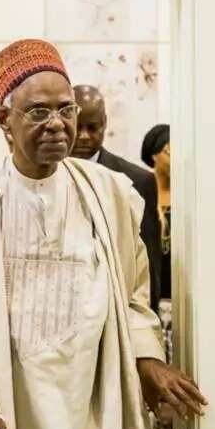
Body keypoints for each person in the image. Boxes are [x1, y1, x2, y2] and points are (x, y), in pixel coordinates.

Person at [0, 39, 207, 429]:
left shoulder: (109, 195)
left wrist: (146, 357)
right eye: (38, 112)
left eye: (66, 110)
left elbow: (134, 296)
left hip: (97, 409)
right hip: (4, 414)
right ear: (4, 120)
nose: (57, 123)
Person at [71, 84, 163, 312]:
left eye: (92, 128)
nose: (84, 136)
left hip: (116, 309)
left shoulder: (137, 181)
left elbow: (149, 262)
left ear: (105, 123)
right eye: (77, 127)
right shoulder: (46, 174)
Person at [141, 124, 171, 303]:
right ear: (155, 155)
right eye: (168, 152)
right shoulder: (143, 190)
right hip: (152, 282)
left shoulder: (187, 195)